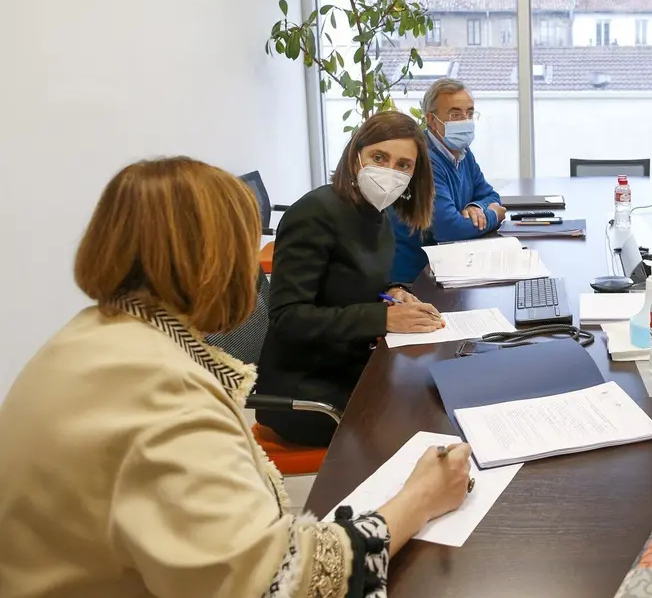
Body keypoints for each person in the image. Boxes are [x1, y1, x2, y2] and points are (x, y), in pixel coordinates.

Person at [0, 157, 473, 598]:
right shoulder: (155, 391)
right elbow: (277, 580)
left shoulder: (100, 338)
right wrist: (418, 500)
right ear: (215, 261)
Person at [257, 112, 444, 447]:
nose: (390, 171)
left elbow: (355, 283)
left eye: (403, 165)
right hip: (308, 392)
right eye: (379, 158)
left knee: (436, 393)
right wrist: (383, 317)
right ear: (355, 155)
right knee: (425, 419)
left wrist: (394, 292)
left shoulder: (377, 213)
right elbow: (288, 317)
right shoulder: (314, 213)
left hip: (352, 365)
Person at [391, 78, 507, 283]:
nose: (465, 120)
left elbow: (490, 195)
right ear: (432, 120)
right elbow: (449, 229)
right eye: (455, 114)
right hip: (414, 280)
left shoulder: (462, 152)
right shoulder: (424, 160)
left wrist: (475, 207)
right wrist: (493, 216)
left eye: (470, 113)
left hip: (448, 266)